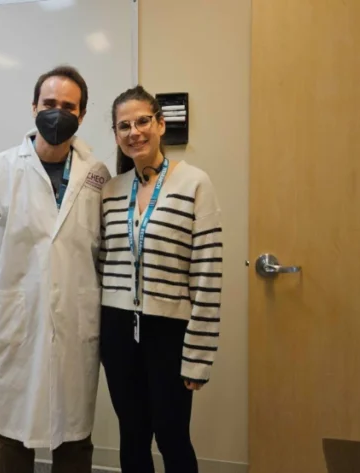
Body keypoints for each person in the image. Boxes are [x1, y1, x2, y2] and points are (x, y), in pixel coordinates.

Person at [0, 65, 111, 473]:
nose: (57, 112)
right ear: (33, 106)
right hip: (20, 322)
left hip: (74, 322)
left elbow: (99, 251)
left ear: (81, 116)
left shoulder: (97, 176)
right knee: (14, 437)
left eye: (69, 106)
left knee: (74, 439)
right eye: (49, 103)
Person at [98, 86, 223, 473]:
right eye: (124, 126)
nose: (134, 132)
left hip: (169, 331)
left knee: (171, 435)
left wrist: (199, 356)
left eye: (142, 121)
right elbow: (102, 263)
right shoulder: (110, 190)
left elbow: (208, 270)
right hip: (118, 330)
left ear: (160, 124)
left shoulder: (195, 183)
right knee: (131, 435)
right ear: (116, 135)